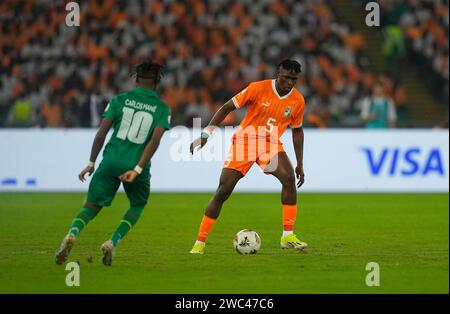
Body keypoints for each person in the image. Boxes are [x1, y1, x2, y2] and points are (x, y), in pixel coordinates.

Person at [55, 60, 171, 266]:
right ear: (156, 83)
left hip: (110, 161)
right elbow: (155, 140)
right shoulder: (162, 108)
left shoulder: (119, 100)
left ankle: (72, 233)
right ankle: (112, 242)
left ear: (136, 79)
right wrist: (137, 169)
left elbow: (101, 134)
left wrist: (91, 162)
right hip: (136, 163)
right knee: (138, 204)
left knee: (91, 205)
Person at [189, 59, 307, 254]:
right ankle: (199, 243)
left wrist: (300, 164)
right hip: (246, 141)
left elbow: (297, 132)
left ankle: (287, 236)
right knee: (223, 190)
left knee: (288, 178)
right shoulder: (257, 88)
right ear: (278, 74)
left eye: (294, 79)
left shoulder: (298, 101)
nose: (290, 82)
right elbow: (227, 107)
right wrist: (205, 135)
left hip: (270, 146)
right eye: (286, 77)